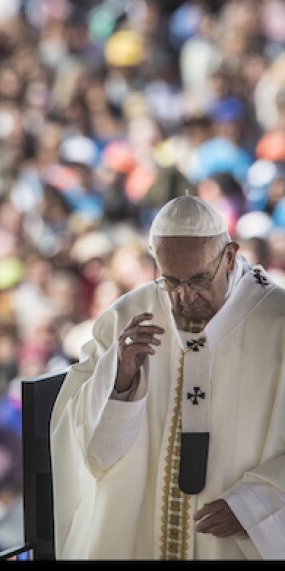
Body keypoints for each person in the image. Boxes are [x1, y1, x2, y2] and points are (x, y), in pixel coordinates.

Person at [50, 196, 285, 560]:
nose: (184, 296)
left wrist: (255, 505)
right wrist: (119, 378)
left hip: (234, 541)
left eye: (198, 279)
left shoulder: (277, 323)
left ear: (230, 256)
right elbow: (80, 439)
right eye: (170, 280)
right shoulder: (127, 317)